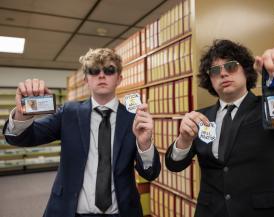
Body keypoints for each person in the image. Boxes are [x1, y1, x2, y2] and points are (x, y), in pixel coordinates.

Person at [165, 39, 274, 217]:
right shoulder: (200, 118)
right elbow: (174, 165)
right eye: (215, 70)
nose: (223, 74)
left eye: (231, 66)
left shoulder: (269, 107)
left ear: (246, 71)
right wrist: (184, 140)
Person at [3, 48, 161, 217]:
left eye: (109, 70)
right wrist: (22, 113)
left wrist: (145, 144)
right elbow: (19, 138)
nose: (101, 75)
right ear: (86, 79)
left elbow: (150, 173)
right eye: (94, 71)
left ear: (119, 78)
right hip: (70, 212)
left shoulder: (135, 119)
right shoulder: (68, 113)